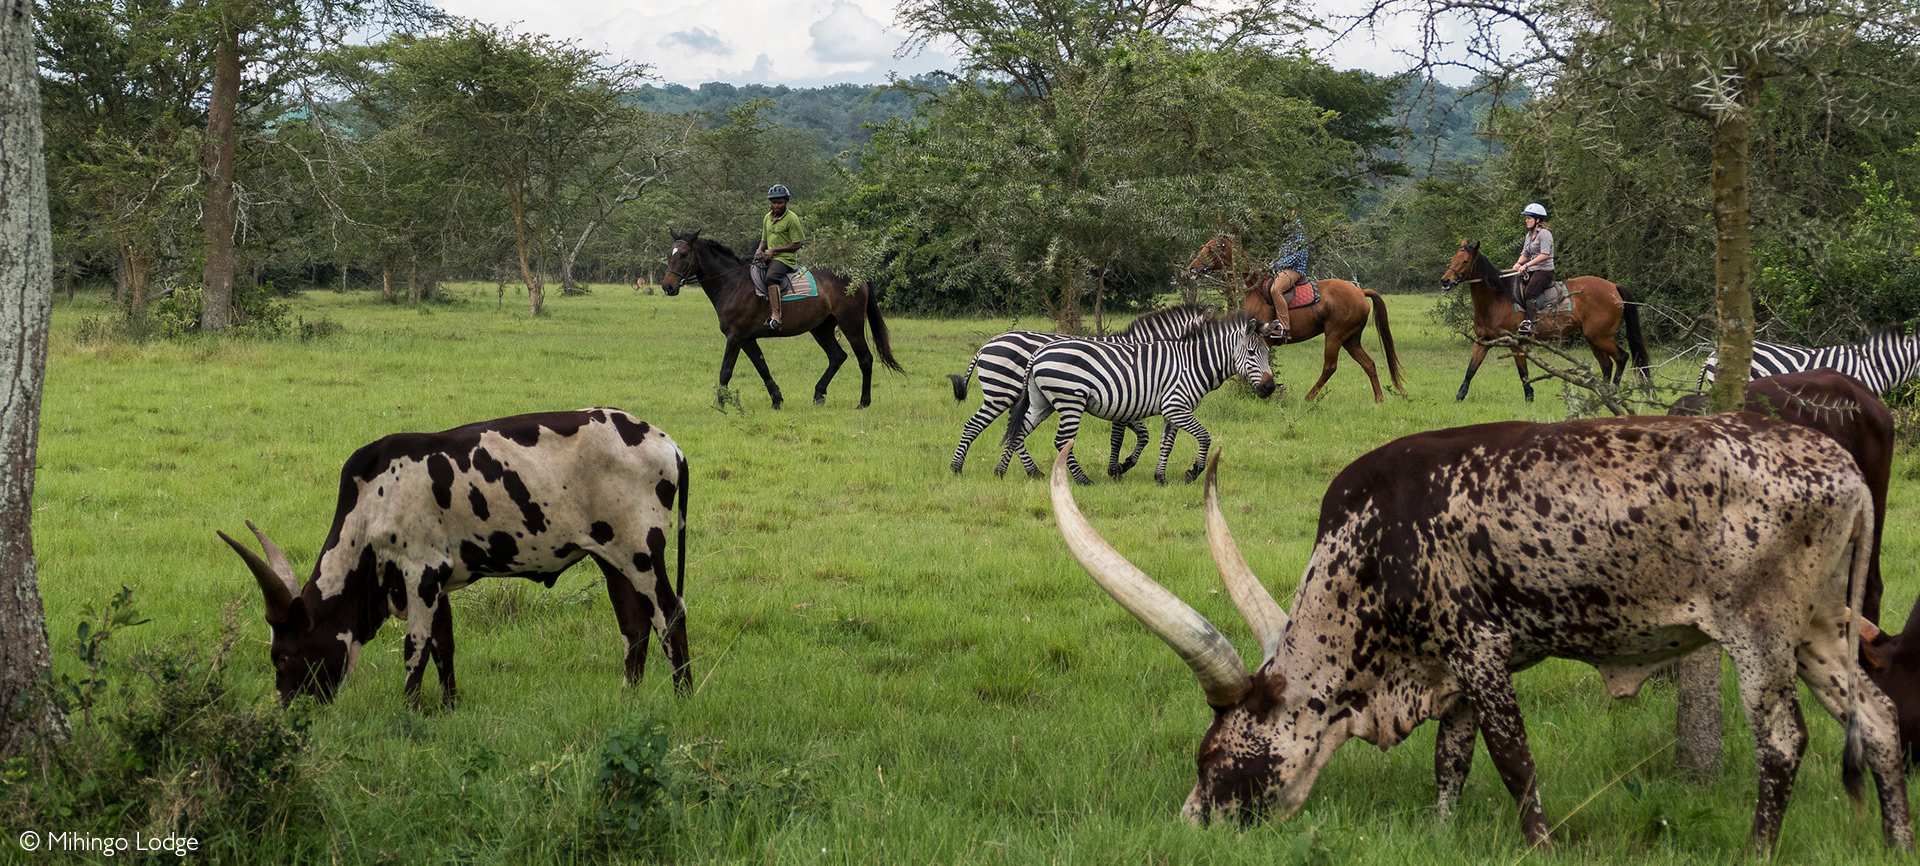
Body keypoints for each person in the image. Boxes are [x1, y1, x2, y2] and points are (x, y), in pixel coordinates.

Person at [753, 184, 805, 331]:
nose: (776, 205)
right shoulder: (767, 218)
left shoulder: (792, 219)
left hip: (785, 259)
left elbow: (798, 243)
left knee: (770, 278)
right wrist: (759, 250)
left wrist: (774, 250)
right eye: (774, 202)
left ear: (786, 202)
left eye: (780, 202)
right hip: (769, 256)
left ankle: (776, 316)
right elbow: (764, 239)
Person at [1510, 202, 1555, 336]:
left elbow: (1544, 255)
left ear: (1537, 220)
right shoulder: (1529, 235)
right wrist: (1518, 263)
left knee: (1530, 292)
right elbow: (1525, 253)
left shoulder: (1545, 234)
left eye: (1529, 218)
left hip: (1544, 271)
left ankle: (1530, 323)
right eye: (1526, 218)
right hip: (1532, 270)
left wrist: (1527, 265)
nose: (1526, 220)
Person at [1267, 203, 1309, 311]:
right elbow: (1282, 252)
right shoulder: (1285, 228)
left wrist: (1279, 264)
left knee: (1275, 290)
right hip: (1283, 269)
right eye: (1285, 210)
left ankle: (1284, 326)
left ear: (1295, 211)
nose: (1287, 213)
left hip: (1295, 269)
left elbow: (1299, 254)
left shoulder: (1299, 229)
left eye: (1290, 210)